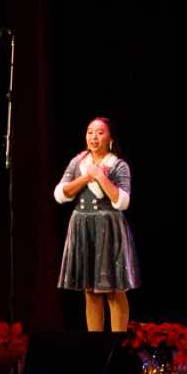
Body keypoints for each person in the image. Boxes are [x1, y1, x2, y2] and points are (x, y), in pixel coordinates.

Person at [56, 116, 138, 332]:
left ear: (110, 138)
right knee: (90, 291)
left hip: (108, 228)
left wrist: (100, 177)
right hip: (82, 226)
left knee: (114, 290)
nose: (94, 137)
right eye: (90, 132)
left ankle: (117, 343)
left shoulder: (118, 165)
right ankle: (96, 344)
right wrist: (86, 177)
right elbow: (61, 193)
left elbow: (122, 201)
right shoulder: (78, 162)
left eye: (100, 133)